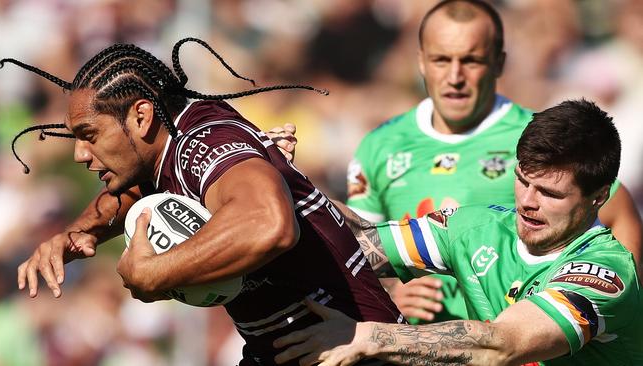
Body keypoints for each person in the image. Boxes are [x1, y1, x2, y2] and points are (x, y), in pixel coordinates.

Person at [2, 38, 404, 365]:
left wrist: (156, 273)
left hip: (358, 353)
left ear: (141, 117)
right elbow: (137, 190)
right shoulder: (171, 145)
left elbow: (270, 225)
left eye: (89, 134)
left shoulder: (205, 144)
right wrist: (77, 234)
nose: (79, 154)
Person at [274, 0, 642, 324]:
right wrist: (388, 291)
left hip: (518, 341)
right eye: (441, 59)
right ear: (420, 61)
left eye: (471, 60)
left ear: (498, 63)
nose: (455, 77)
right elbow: (356, 237)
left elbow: (615, 208)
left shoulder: (538, 141)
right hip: (418, 343)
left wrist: (623, 321)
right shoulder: (380, 144)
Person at [273, 99, 643, 365]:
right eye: (522, 181)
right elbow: (355, 241)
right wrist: (284, 181)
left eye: (549, 193)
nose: (528, 202)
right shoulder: (475, 228)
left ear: (599, 197)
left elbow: (502, 346)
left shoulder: (605, 274)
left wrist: (367, 336)